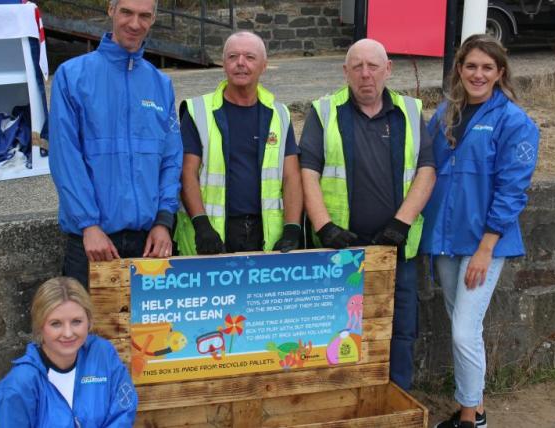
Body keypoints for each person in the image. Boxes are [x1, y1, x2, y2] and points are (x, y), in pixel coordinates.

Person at [299, 38, 436, 391]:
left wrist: (400, 223)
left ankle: (396, 398)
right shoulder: (324, 111)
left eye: (373, 66)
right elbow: (307, 173)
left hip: (396, 249)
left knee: (399, 329)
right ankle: (345, 401)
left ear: (388, 69)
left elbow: (426, 170)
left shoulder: (409, 110)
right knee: (336, 332)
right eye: (357, 67)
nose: (365, 74)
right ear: (345, 72)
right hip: (340, 252)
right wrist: (324, 226)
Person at [423, 34, 539, 428]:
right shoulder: (445, 114)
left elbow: (512, 189)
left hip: (484, 244)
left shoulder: (514, 122)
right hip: (446, 238)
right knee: (463, 329)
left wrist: (486, 247)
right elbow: (427, 171)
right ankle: (477, 406)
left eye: (487, 67)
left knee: (462, 331)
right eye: (471, 66)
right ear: (459, 69)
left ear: (500, 72)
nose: (478, 73)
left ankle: (471, 419)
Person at [49, 0, 183, 287]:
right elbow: (66, 159)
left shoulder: (161, 84)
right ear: (111, 10)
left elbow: (171, 159)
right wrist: (89, 224)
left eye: (144, 16)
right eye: (127, 12)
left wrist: (163, 221)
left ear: (154, 19)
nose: (135, 24)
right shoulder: (72, 76)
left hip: (149, 241)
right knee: (86, 331)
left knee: (151, 333)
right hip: (93, 242)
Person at [174, 31, 303, 255]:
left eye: (249, 57)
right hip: (211, 235)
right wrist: (201, 224)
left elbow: (291, 175)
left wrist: (292, 227)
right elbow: (187, 172)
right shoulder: (198, 111)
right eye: (233, 56)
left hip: (264, 236)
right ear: (224, 64)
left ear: (264, 66)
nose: (240, 63)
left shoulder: (279, 114)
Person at [0, 277, 137, 427]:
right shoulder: (19, 384)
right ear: (40, 326)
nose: (68, 333)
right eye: (56, 324)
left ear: (89, 321)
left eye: (76, 321)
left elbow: (123, 412)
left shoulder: (103, 353)